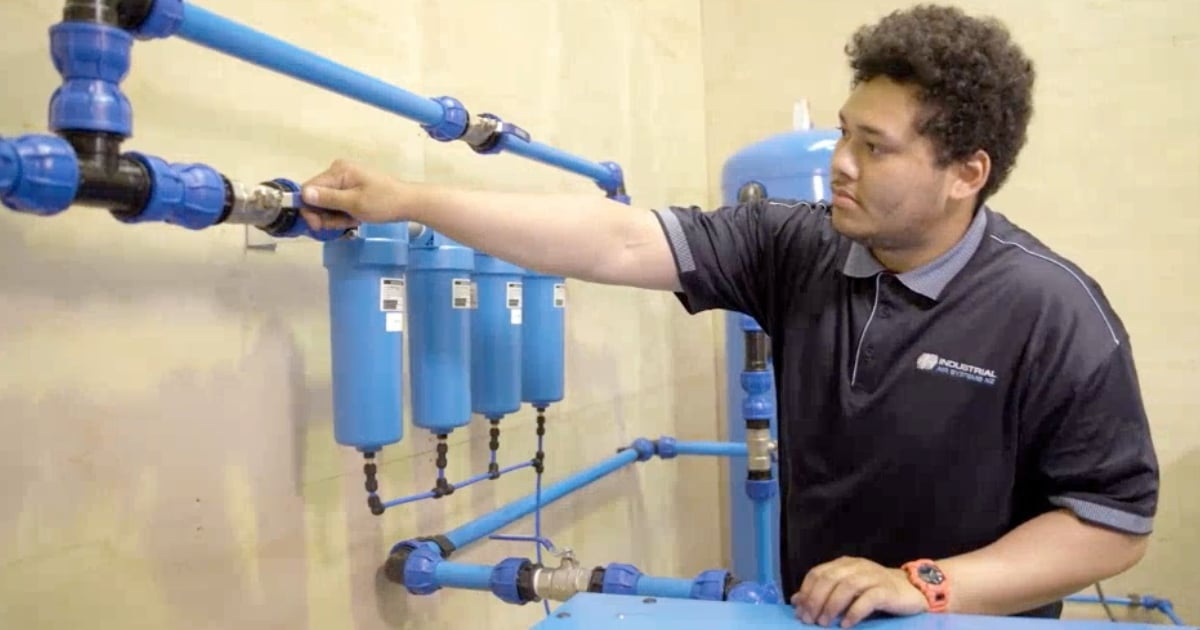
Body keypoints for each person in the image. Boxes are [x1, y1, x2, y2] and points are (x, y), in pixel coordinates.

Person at [298, 4, 1158, 627]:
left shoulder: (1052, 310)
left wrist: (927, 585)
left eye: (875, 147)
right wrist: (409, 199)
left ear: (967, 173)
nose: (841, 163)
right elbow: (615, 240)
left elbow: (1111, 525)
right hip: (816, 615)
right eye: (845, 133)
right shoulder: (797, 245)